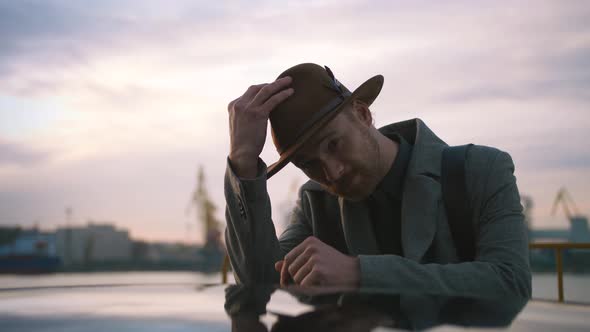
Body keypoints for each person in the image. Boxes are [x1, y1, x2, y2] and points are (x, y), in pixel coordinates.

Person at [224, 63, 531, 298]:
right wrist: (243, 162)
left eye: (333, 144)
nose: (332, 172)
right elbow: (262, 287)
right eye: (309, 164)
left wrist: (360, 273)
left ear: (362, 113)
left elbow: (511, 282)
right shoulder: (315, 202)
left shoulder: (482, 169)